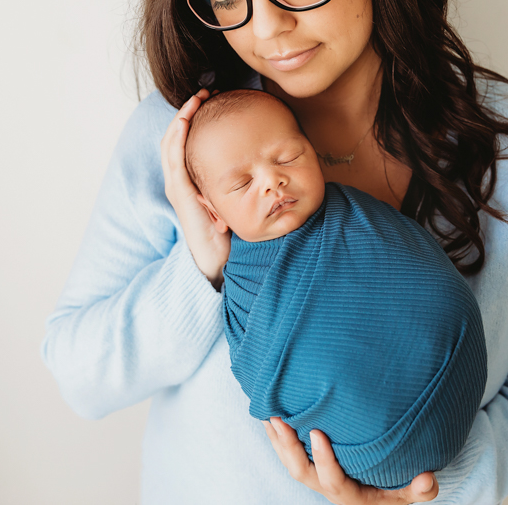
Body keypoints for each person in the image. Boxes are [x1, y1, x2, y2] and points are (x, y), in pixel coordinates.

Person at [41, 0, 508, 503]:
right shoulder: (183, 144)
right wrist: (202, 267)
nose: (269, 26)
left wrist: (432, 487)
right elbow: (79, 377)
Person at [184, 88, 487, 490]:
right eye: (242, 183)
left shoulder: (355, 215)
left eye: (288, 158)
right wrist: (206, 264)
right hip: (365, 449)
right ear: (211, 211)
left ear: (314, 150)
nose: (272, 181)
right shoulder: (241, 285)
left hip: (459, 370)